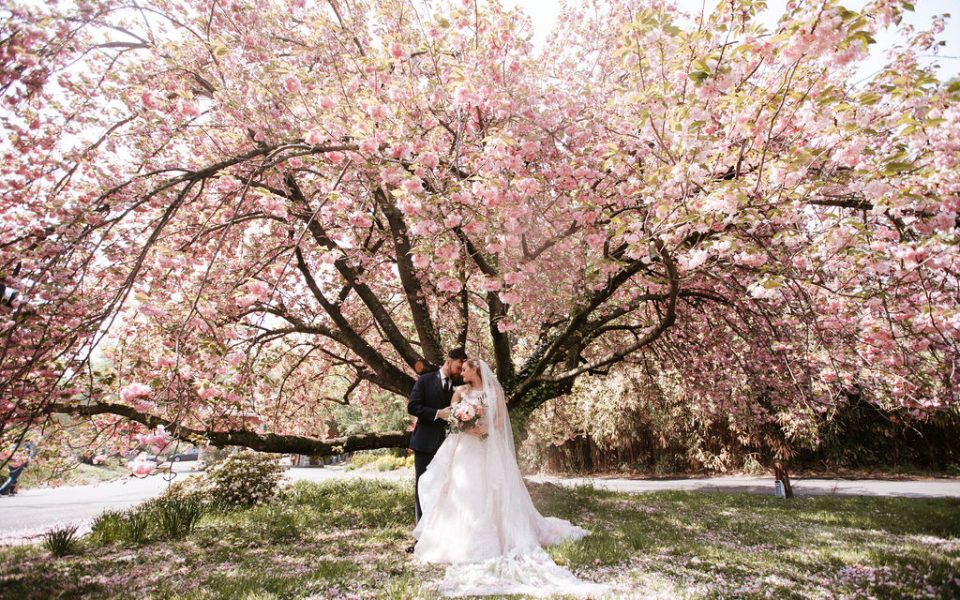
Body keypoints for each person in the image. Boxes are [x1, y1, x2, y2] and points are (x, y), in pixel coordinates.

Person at [412, 358, 609, 597]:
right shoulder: (459, 391)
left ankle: (500, 532)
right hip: (465, 448)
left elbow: (499, 418)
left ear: (476, 369)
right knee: (464, 490)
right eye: (460, 368)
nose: (461, 372)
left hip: (487, 447)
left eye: (465, 368)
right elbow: (453, 419)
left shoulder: (494, 391)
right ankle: (460, 537)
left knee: (493, 486)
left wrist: (486, 428)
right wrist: (466, 426)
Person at [407, 347, 467, 524]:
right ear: (449, 361)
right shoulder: (425, 381)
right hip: (425, 444)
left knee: (445, 489)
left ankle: (439, 532)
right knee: (423, 487)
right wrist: (438, 413)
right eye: (458, 366)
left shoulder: (459, 387)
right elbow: (413, 407)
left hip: (448, 446)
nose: (460, 371)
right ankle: (421, 536)